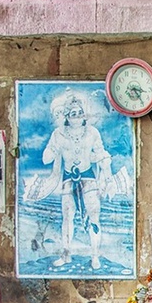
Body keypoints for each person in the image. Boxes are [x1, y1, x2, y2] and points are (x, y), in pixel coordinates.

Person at [41, 91, 113, 269]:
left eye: (80, 113)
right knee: (67, 217)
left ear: (84, 116)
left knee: (93, 216)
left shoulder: (92, 133)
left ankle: (95, 256)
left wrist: (103, 159)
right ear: (66, 116)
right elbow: (46, 158)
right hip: (67, 180)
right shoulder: (58, 134)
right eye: (73, 113)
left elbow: (98, 154)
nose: (77, 117)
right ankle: (66, 255)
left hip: (88, 178)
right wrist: (53, 150)